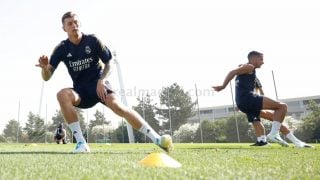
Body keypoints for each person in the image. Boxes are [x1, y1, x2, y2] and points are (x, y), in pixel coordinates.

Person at [36, 12, 173, 153]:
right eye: (69, 24)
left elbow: (109, 62)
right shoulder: (61, 48)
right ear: (64, 28)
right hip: (80, 92)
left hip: (98, 86)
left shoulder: (93, 41)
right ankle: (81, 144)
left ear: (80, 24)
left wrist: (102, 80)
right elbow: (46, 77)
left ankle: (157, 139)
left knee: (119, 107)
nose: (74, 25)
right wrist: (45, 68)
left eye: (76, 22)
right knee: (62, 95)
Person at [212, 51, 313, 148]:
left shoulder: (246, 68)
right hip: (248, 99)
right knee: (282, 106)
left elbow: (238, 72)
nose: (263, 62)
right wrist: (223, 86)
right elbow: (232, 72)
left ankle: (296, 142)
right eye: (261, 59)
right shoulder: (249, 67)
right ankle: (273, 135)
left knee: (273, 117)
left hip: (242, 102)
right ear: (254, 59)